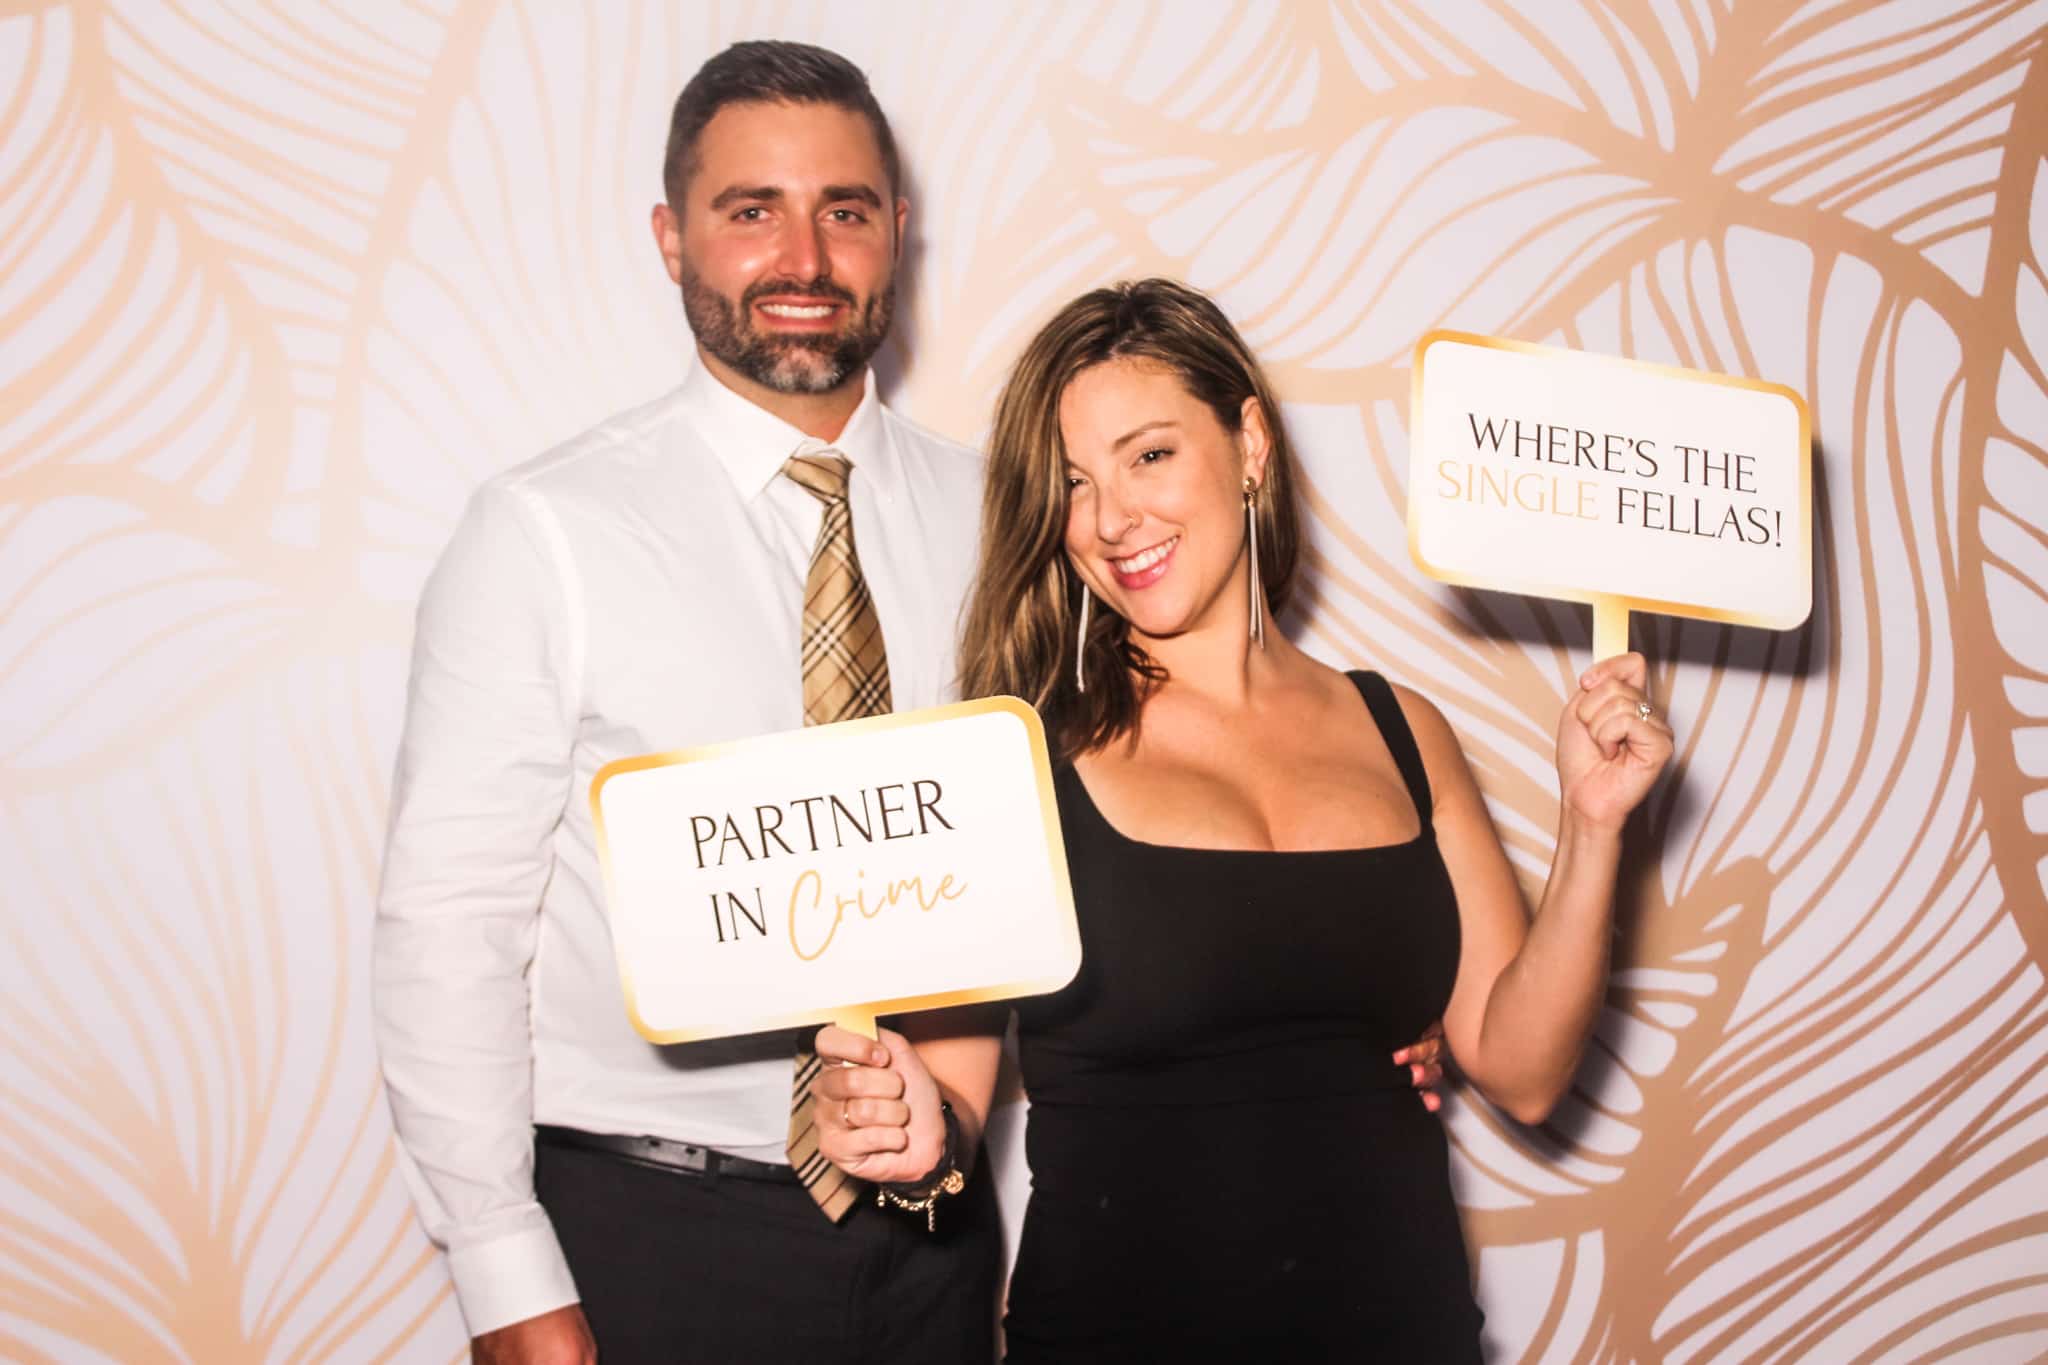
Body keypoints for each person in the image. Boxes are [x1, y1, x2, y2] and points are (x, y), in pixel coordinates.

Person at [811, 278, 1674, 1361]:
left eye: (1149, 455)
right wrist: (914, 1136)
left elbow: (1523, 1068)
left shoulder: (1404, 730)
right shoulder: (1015, 760)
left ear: (1249, 442)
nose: (1111, 518)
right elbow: (950, 1109)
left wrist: (1592, 826)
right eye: (1073, 483)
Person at [373, 41, 1007, 1365]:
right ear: (672, 239)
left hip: (936, 1230)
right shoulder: (543, 532)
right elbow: (451, 921)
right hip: (650, 1235)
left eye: (844, 209)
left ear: (897, 231)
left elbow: (1069, 849)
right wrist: (502, 1272)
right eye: (750, 210)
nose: (804, 258)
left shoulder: (1001, 519)